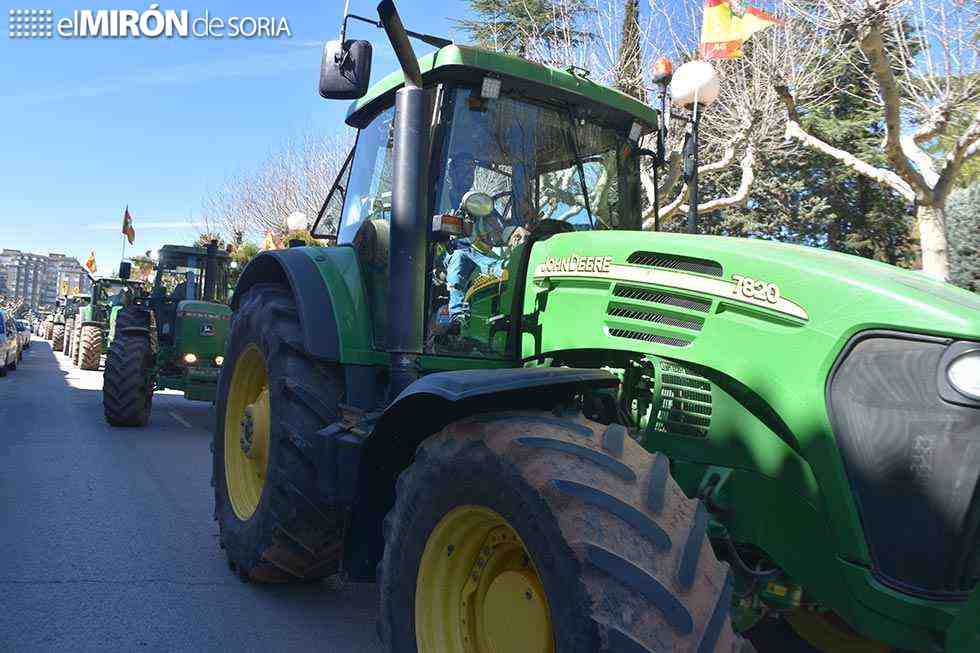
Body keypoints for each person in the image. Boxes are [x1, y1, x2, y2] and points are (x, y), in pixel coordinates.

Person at [438, 153, 529, 332]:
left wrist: (514, 233)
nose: (467, 175)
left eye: (471, 170)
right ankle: (457, 315)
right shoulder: (440, 200)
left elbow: (500, 230)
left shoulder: (480, 203)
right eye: (463, 170)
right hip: (446, 254)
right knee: (460, 257)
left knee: (500, 263)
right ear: (451, 172)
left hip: (479, 255)